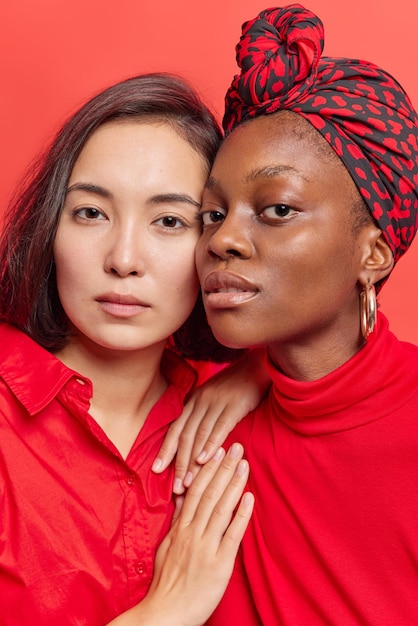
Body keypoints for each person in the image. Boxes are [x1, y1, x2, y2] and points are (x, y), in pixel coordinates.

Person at [0, 72, 261, 625]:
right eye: (91, 212)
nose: (123, 258)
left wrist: (264, 366)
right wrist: (164, 614)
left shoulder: (229, 419)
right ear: (49, 226)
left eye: (169, 221)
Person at [194, 5, 418, 625]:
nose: (223, 240)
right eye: (212, 213)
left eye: (277, 209)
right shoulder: (197, 429)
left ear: (372, 252)